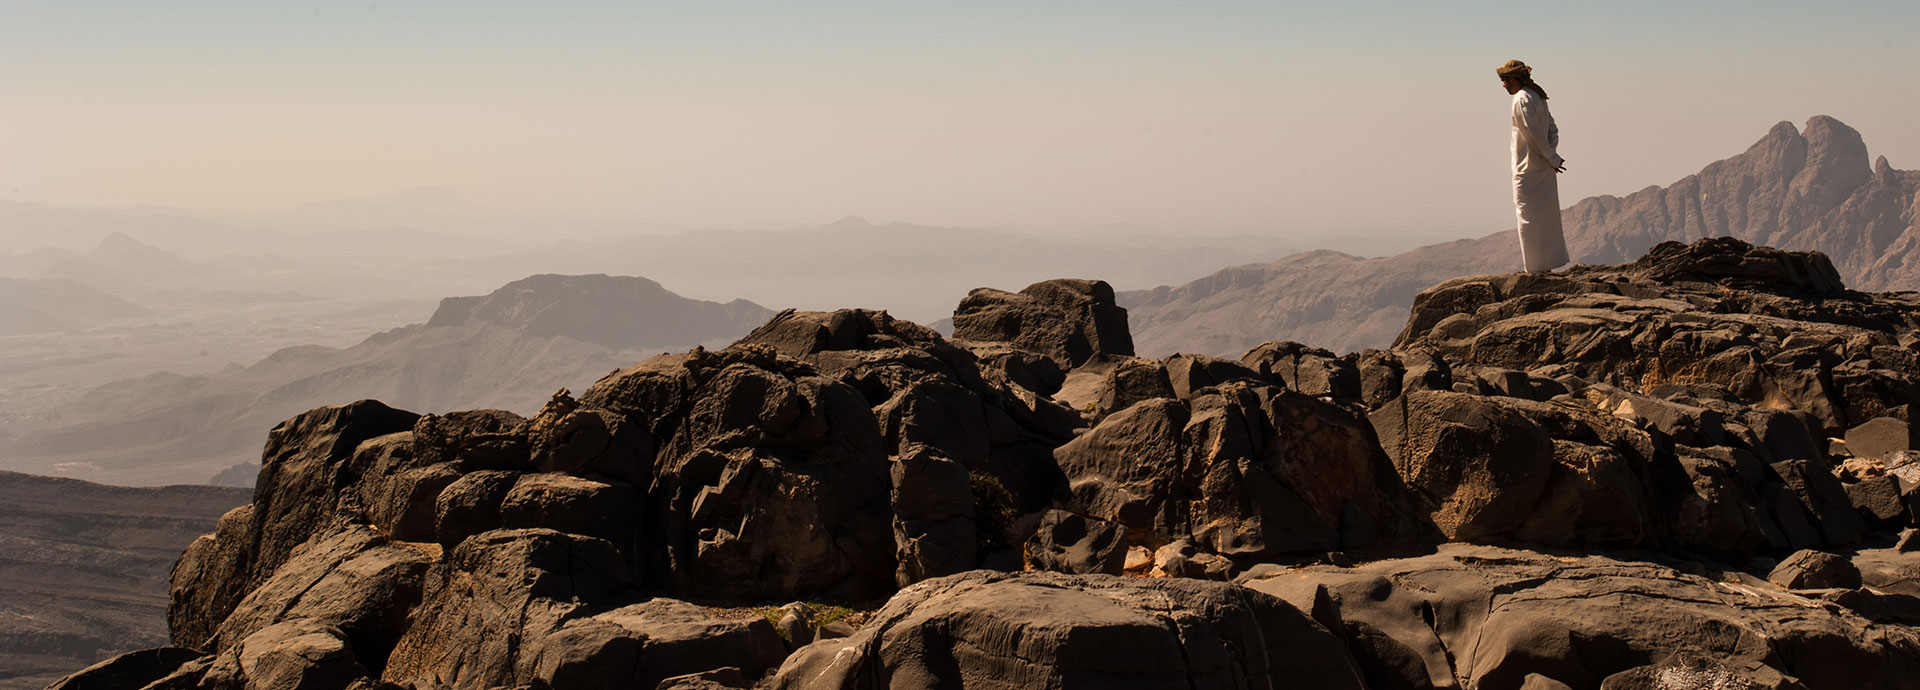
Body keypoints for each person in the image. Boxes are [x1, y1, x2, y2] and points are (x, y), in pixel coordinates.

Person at [1499, 59, 1568, 273]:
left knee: (1527, 216)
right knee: (1545, 215)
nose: (1503, 85)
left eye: (1505, 80)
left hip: (1526, 167)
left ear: (1514, 78)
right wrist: (1550, 154)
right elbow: (1552, 129)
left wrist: (1551, 157)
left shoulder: (1521, 98)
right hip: (1542, 165)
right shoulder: (1537, 95)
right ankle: (1545, 266)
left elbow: (1532, 133)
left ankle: (1535, 269)